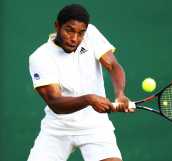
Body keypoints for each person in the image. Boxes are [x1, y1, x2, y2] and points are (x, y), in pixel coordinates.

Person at [27, 4, 134, 161]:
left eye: (81, 33)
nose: (75, 38)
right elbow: (55, 103)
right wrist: (89, 99)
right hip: (57, 128)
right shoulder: (40, 57)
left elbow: (112, 65)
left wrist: (120, 94)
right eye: (69, 30)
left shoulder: (91, 34)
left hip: (95, 126)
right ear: (57, 26)